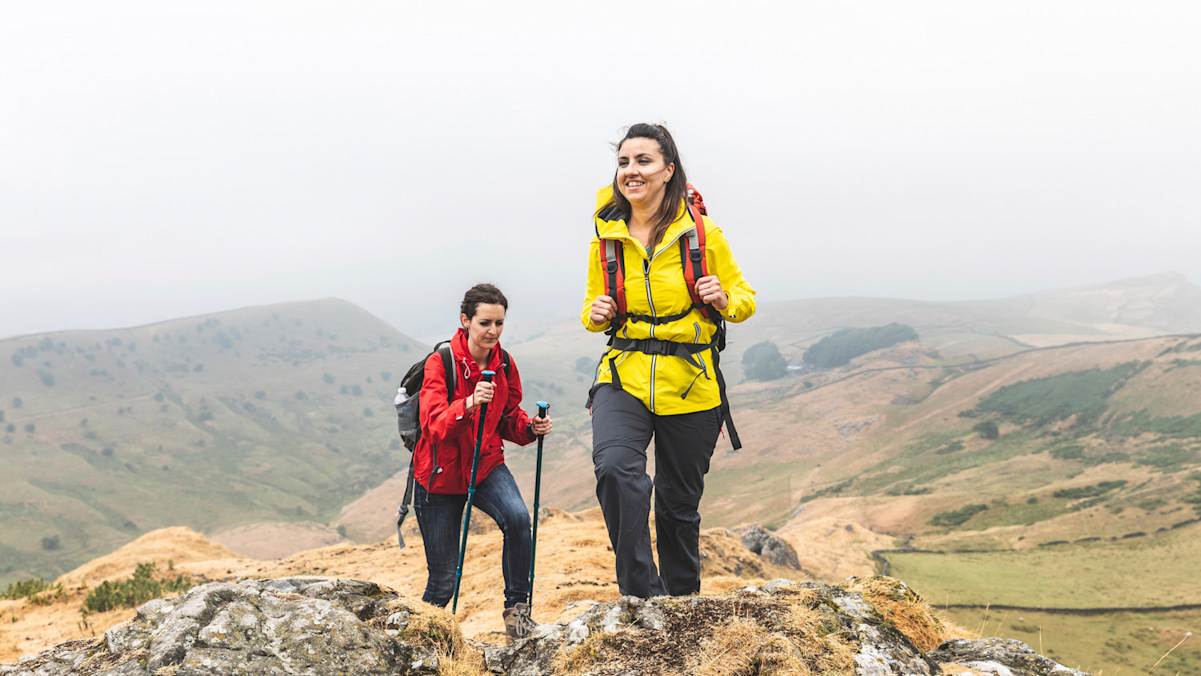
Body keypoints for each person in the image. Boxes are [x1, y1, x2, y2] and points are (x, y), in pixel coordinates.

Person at [581, 123, 756, 598]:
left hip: (691, 380)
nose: (631, 171)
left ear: (668, 170)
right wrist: (597, 314)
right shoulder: (607, 236)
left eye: (643, 161)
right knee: (617, 471)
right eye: (623, 163)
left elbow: (744, 297)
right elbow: (592, 306)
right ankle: (643, 597)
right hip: (623, 373)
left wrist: (723, 299)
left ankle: (683, 607)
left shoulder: (702, 233)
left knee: (679, 507)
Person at [412, 283, 553, 637]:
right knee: (443, 579)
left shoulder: (504, 362)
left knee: (519, 520)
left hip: (485, 464)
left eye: (499, 323)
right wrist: (471, 402)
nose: (493, 331)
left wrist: (529, 427)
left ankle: (517, 615)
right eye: (485, 323)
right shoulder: (440, 363)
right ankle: (423, 640)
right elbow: (433, 425)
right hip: (439, 476)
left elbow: (507, 415)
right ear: (465, 321)